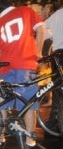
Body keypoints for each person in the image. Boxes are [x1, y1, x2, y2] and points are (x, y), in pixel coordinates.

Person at [0, 0, 47, 149]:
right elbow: (41, 29)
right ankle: (30, 142)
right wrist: (39, 53)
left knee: (2, 103)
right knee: (28, 104)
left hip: (5, 68)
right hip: (25, 63)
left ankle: (0, 137)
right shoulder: (25, 11)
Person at [42, 4, 63, 134]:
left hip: (58, 56)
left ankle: (54, 122)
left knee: (57, 89)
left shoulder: (57, 15)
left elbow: (43, 32)